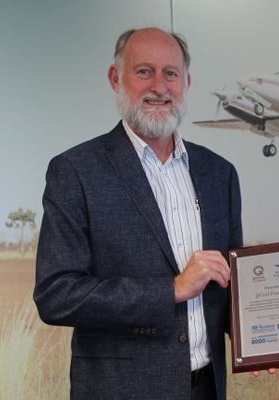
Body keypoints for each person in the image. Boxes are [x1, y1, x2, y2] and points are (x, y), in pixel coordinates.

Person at [33, 27, 242, 400]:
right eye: (144, 71)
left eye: (170, 73)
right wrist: (171, 290)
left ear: (186, 83)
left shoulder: (219, 173)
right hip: (121, 390)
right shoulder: (76, 171)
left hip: (206, 389)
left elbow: (231, 286)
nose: (159, 87)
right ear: (115, 78)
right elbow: (57, 294)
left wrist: (276, 333)